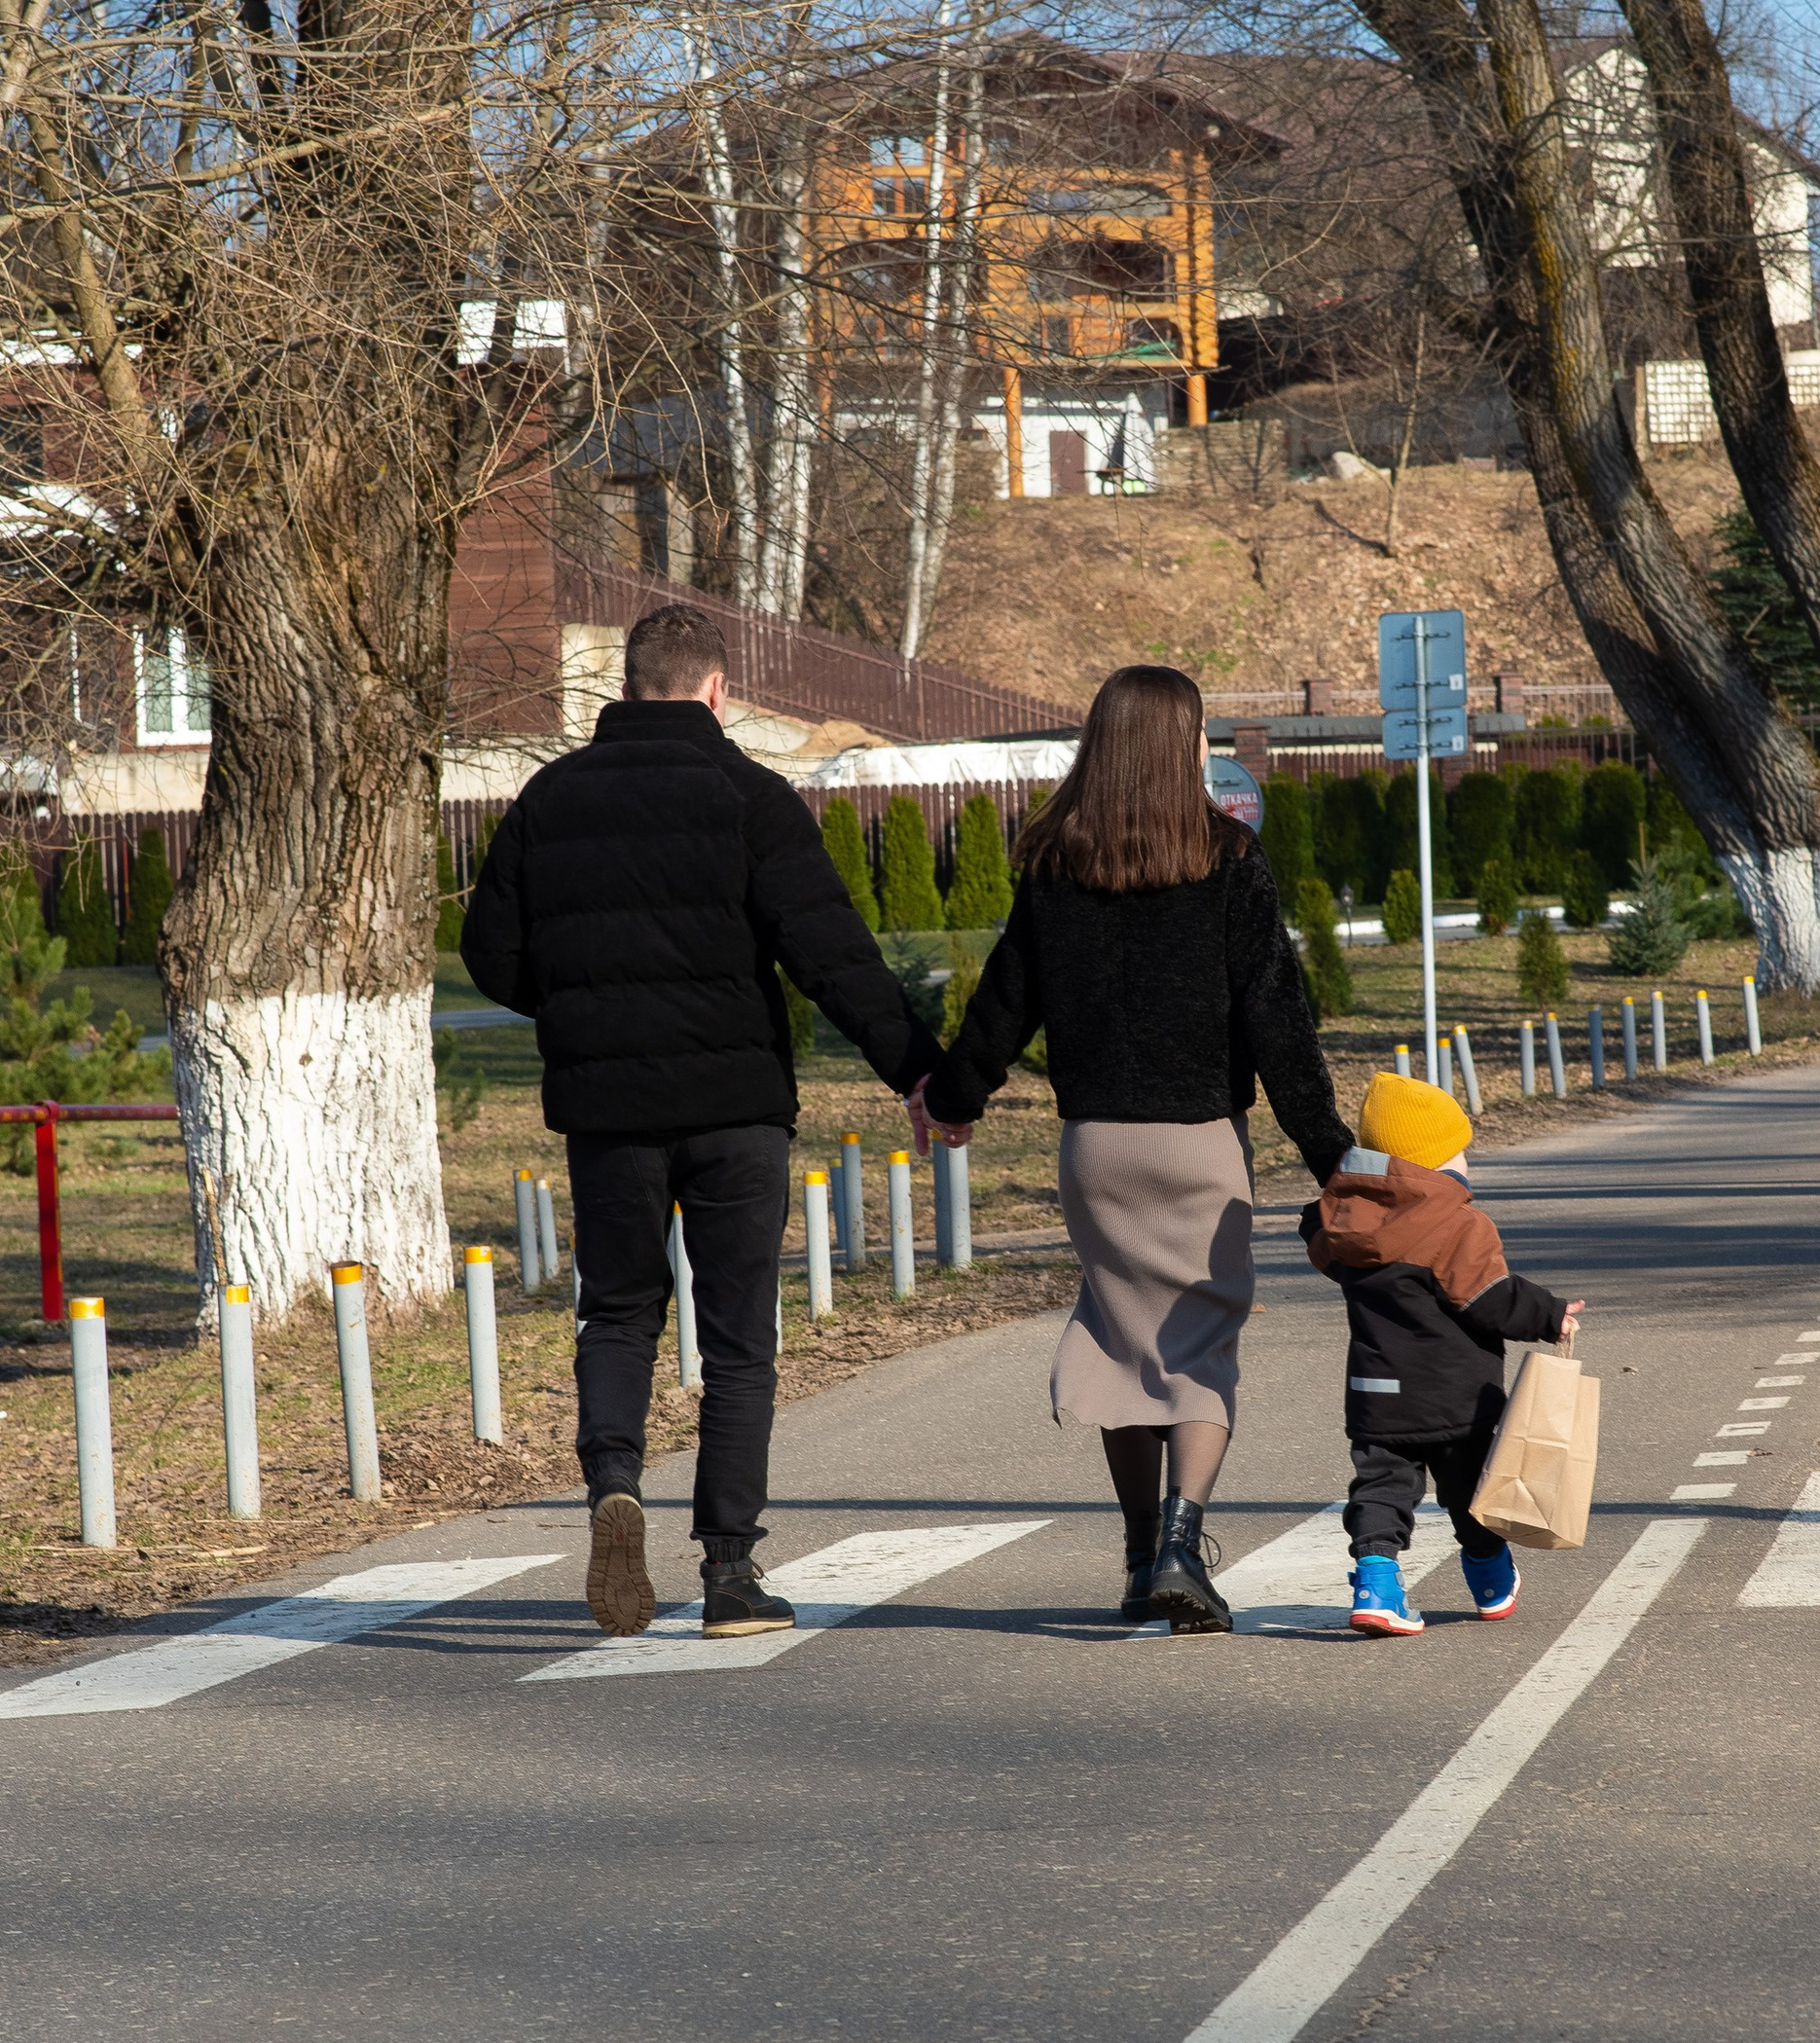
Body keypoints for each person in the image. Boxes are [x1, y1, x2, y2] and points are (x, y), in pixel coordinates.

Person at [461, 598, 936, 1639]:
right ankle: (729, 1572)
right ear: (719, 691)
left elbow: (490, 953)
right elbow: (831, 954)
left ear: (626, 687)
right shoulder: (751, 797)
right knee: (737, 1340)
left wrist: (585, 1008)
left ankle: (614, 1485)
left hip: (608, 1114)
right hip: (736, 1111)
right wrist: (920, 1074)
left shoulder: (550, 797)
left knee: (618, 1312)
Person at [918, 663, 1348, 1633]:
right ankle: (1183, 1547)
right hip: (1199, 1147)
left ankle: (1138, 1556)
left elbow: (1003, 1002)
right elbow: (1277, 1020)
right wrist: (1332, 1156)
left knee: (1123, 1341)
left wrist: (951, 1098)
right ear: (1175, 744)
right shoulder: (1228, 857)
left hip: (1096, 1151)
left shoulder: (1054, 861)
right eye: (1198, 733)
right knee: (1197, 1345)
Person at [1300, 1067, 1582, 1638]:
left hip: (1377, 1395)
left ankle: (1376, 1586)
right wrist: (1549, 1315)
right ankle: (1490, 1579)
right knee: (1471, 1490)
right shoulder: (1456, 1225)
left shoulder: (1344, 1224)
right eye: (1458, 1152)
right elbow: (1490, 1299)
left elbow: (1319, 1235)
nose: (1465, 1163)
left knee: (1380, 1489)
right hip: (1456, 1397)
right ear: (1431, 1163)